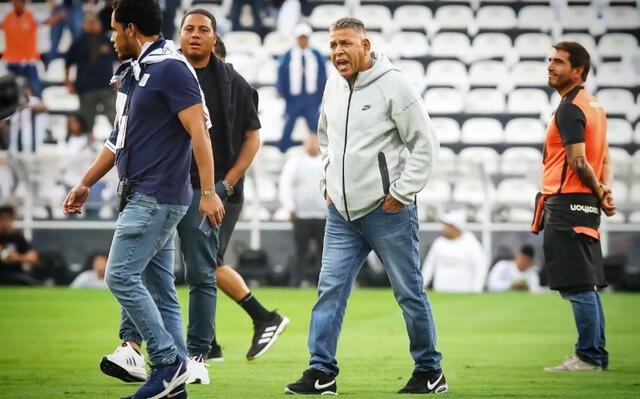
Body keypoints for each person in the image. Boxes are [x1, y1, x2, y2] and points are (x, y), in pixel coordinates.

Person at [99, 8, 289, 387]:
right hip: (168, 184)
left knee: (201, 271)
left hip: (210, 188)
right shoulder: (158, 70)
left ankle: (196, 354)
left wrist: (223, 185)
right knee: (151, 268)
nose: (196, 35)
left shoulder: (234, 83)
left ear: (214, 39)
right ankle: (135, 347)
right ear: (179, 34)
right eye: (189, 29)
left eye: (204, 30)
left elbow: (251, 137)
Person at [62, 1, 224, 398]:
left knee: (118, 275)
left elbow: (200, 133)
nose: (111, 37)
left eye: (115, 30)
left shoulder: (170, 68)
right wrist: (85, 182)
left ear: (131, 29)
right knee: (162, 288)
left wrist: (207, 191)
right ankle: (176, 385)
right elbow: (118, 140)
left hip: (156, 196)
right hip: (145, 194)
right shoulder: (139, 72)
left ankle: (167, 363)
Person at [285, 18, 446, 395]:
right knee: (330, 290)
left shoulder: (396, 84)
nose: (338, 52)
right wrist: (328, 180)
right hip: (341, 213)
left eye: (345, 43)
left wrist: (402, 192)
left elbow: (425, 145)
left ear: (365, 44)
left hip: (388, 210)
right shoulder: (333, 85)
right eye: (333, 45)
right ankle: (322, 371)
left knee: (408, 291)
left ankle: (430, 370)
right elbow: (325, 137)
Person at [531, 42, 616, 373]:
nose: (550, 66)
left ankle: (588, 357)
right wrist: (602, 192)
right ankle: (595, 353)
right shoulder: (593, 105)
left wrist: (596, 188)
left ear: (578, 70)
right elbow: (605, 157)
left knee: (577, 285)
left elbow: (579, 161)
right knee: (586, 283)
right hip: (583, 202)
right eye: (549, 60)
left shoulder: (569, 109)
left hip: (567, 202)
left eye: (559, 62)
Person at [278, 134, 326, 286]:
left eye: (315, 141)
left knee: (325, 253)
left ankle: (324, 283)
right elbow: (285, 185)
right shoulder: (295, 162)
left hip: (323, 215)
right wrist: (290, 208)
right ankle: (296, 281)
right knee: (300, 251)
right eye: (309, 141)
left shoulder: (326, 162)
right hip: (301, 215)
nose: (312, 144)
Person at [275, 23, 327, 152]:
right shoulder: (288, 55)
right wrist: (281, 90)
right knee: (289, 123)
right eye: (300, 38)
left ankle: (318, 150)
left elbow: (322, 74)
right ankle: (283, 148)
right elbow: (281, 73)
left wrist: (321, 94)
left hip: (311, 97)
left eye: (305, 38)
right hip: (293, 97)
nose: (303, 41)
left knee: (314, 124)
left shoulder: (316, 55)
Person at [64, 10, 117, 132]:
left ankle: (121, 143)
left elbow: (119, 61)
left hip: (106, 87)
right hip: (86, 89)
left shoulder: (109, 40)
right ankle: (88, 143)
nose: (92, 24)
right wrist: (67, 83)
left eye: (94, 21)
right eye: (89, 21)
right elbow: (67, 63)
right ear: (84, 24)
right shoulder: (78, 43)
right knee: (86, 120)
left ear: (100, 23)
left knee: (115, 118)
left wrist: (118, 79)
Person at [421, 209, 489, 293]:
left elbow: (480, 267)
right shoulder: (439, 243)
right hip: (441, 293)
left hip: (464, 293)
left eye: (446, 225)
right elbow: (428, 267)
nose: (443, 228)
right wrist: (421, 287)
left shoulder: (471, 242)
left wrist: (476, 289)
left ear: (455, 226)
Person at [1, 0, 43, 98]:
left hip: (29, 62)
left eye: (18, 2)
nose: (16, 4)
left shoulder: (31, 17)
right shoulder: (8, 18)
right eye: (14, 2)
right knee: (13, 94)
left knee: (36, 90)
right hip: (12, 62)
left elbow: (48, 21)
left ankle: (37, 110)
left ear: (24, 3)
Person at [0, 205, 40, 286]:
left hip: (17, 275)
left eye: (7, 219)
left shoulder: (18, 238)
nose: (4, 222)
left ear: (12, 220)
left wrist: (17, 257)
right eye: (2, 219)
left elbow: (33, 257)